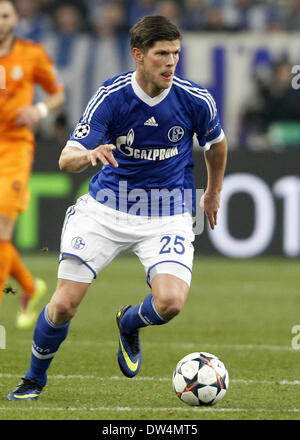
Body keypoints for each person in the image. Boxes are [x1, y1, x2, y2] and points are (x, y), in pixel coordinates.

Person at [7, 15, 227, 400]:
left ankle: (128, 322)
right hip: (105, 211)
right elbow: (66, 159)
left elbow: (217, 144)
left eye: (176, 53)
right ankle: (33, 380)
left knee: (171, 302)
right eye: (162, 54)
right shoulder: (112, 96)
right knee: (63, 306)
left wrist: (212, 191)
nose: (171, 62)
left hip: (168, 212)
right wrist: (90, 153)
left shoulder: (195, 98)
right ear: (138, 55)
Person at [0, 0, 65, 329]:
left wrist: (38, 111)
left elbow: (57, 93)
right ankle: (28, 286)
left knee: (1, 231)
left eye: (4, 15)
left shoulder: (31, 53)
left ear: (16, 19)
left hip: (13, 149)